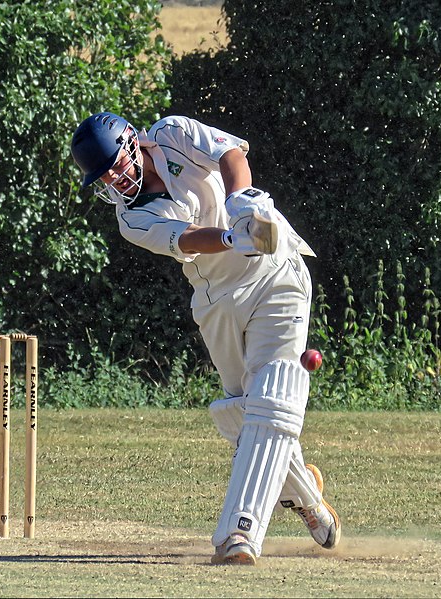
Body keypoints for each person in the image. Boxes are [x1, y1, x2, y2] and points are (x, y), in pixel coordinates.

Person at [70, 112, 340, 565]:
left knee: (274, 396)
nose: (115, 179)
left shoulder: (172, 133)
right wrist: (234, 237)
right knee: (242, 415)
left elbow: (230, 153)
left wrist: (242, 204)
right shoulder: (131, 220)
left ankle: (239, 535)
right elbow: (190, 239)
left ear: (132, 142)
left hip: (275, 273)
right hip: (216, 299)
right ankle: (309, 498)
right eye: (105, 177)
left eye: (116, 164)